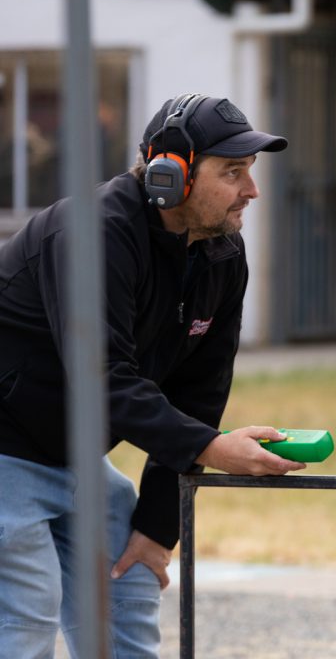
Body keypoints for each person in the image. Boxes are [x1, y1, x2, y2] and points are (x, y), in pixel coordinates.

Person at [0, 93, 305, 658]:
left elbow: (200, 390)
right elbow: (102, 378)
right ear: (170, 173)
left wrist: (159, 525)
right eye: (232, 172)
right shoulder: (91, 235)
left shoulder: (221, 254)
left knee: (132, 580)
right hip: (6, 453)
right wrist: (213, 449)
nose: (251, 191)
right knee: (25, 613)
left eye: (251, 172)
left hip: (75, 461)